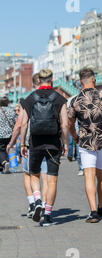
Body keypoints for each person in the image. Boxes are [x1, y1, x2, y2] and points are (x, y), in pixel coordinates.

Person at [68, 68, 102, 223]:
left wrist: (75, 136)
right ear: (93, 79)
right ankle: (100, 206)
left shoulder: (75, 101)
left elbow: (70, 123)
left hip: (85, 143)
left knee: (88, 177)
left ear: (80, 82)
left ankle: (93, 212)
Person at [20, 69, 69, 227]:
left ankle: (38, 200)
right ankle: (47, 215)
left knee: (34, 175)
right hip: (53, 143)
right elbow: (65, 123)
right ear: (52, 79)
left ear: (39, 80)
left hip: (35, 143)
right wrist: (65, 143)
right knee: (52, 179)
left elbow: (24, 123)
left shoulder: (30, 98)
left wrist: (22, 143)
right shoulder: (59, 98)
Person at [7, 74, 50, 218]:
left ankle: (33, 204)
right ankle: (44, 206)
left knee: (29, 174)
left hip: (30, 143)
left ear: (34, 83)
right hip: (49, 143)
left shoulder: (29, 100)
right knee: (45, 176)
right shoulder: (53, 98)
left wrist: (12, 143)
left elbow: (19, 124)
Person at [0, 96, 16, 174]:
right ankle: (6, 166)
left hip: (0, 134)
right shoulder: (12, 111)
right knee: (7, 149)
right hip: (10, 134)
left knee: (1, 150)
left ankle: (4, 163)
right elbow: (15, 122)